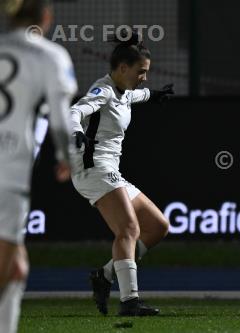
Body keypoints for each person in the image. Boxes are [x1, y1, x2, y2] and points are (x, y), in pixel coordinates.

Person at [69, 32, 173, 316]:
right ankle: (129, 302)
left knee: (158, 227)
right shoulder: (102, 91)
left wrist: (155, 95)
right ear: (123, 68)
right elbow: (74, 112)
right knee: (129, 229)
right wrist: (77, 132)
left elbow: (138, 95)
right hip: (93, 169)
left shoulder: (124, 91)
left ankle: (104, 274)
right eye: (141, 72)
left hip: (111, 171)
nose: (145, 77)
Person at [0, 0, 77, 332]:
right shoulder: (50, 56)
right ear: (46, 17)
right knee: (9, 268)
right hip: (9, 174)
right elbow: (60, 121)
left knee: (16, 266)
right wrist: (67, 158)